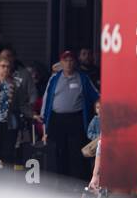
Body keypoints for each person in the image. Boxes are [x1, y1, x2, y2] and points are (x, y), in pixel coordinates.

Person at [41, 49, 99, 183]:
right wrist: (43, 117)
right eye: (65, 61)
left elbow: (96, 95)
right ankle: (60, 181)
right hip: (58, 119)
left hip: (75, 119)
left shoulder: (82, 78)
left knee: (76, 151)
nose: (68, 63)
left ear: (75, 62)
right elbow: (47, 98)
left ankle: (76, 181)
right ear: (61, 62)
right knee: (59, 151)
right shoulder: (54, 79)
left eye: (71, 60)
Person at [0, 51, 39, 168]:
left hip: (9, 125)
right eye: (2, 66)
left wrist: (32, 115)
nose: (5, 69)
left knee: (8, 155)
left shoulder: (14, 85)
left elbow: (22, 104)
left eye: (8, 67)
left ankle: (6, 183)